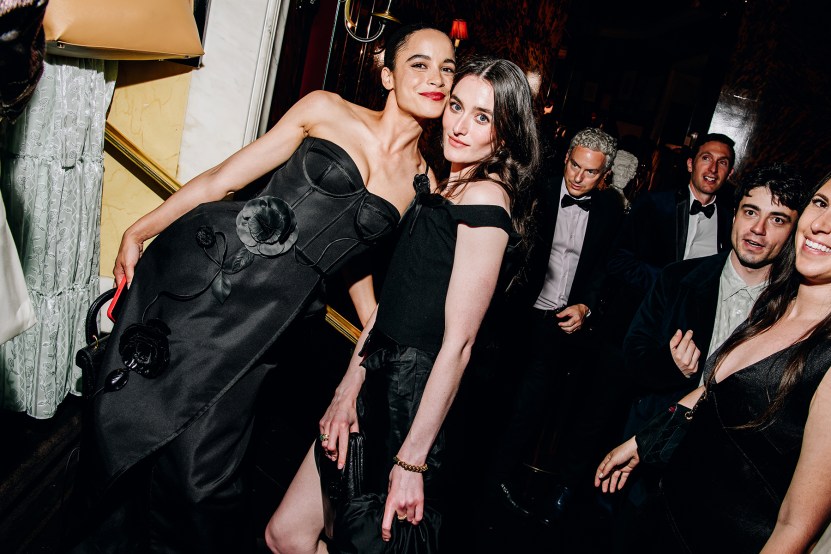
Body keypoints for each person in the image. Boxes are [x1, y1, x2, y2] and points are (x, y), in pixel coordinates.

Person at [72, 24, 457, 553]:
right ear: (388, 74)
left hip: (271, 322)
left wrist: (362, 346)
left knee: (201, 473)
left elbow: (356, 260)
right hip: (210, 276)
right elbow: (223, 181)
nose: (436, 78)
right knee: (132, 418)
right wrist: (142, 227)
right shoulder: (327, 109)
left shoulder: (423, 185)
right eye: (420, 64)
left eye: (448, 68)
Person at [264, 55, 540, 553]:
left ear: (504, 135)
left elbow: (459, 344)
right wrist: (348, 388)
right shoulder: (443, 184)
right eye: (457, 106)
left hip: (410, 400)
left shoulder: (486, 199)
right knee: (287, 534)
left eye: (482, 117)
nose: (459, 125)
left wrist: (412, 462)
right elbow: (390, 305)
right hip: (375, 375)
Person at [595, 170, 831, 553]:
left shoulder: (806, 328)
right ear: (733, 214)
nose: (822, 225)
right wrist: (643, 440)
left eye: (777, 219)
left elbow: (795, 523)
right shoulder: (776, 309)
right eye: (820, 204)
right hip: (667, 501)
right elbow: (716, 387)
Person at [487, 127, 624, 524]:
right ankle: (481, 481)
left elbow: (604, 267)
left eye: (590, 173)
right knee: (499, 401)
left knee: (533, 410)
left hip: (561, 327)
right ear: (565, 158)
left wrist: (586, 306)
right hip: (517, 318)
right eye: (574, 165)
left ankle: (501, 484)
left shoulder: (611, 209)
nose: (578, 177)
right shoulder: (537, 193)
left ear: (605, 176)